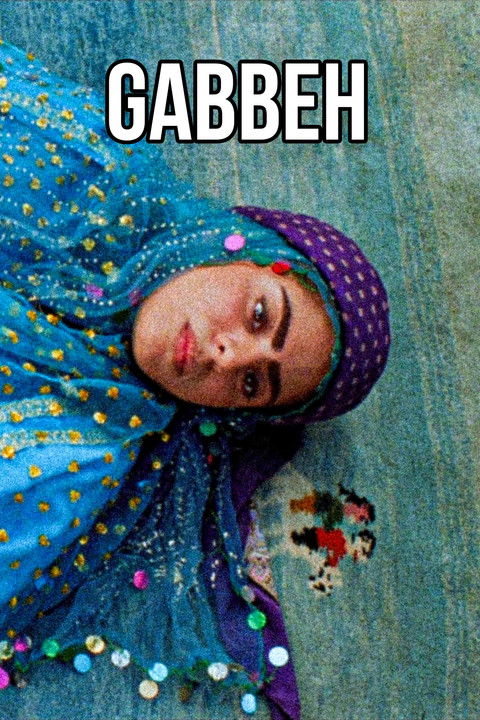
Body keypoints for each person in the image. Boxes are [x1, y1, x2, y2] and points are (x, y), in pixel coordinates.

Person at [0, 41, 390, 719]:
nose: (226, 355)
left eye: (253, 385)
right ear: (235, 248)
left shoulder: (85, 455)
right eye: (259, 315)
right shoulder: (93, 169)